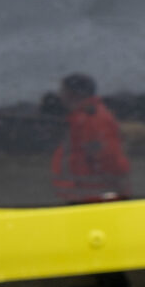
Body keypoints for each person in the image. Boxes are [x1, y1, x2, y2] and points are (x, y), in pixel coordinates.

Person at [50, 72, 131, 202]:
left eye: (62, 90)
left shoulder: (92, 119)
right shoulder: (80, 118)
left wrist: (115, 195)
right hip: (86, 199)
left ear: (74, 93)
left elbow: (109, 159)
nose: (60, 95)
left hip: (96, 202)